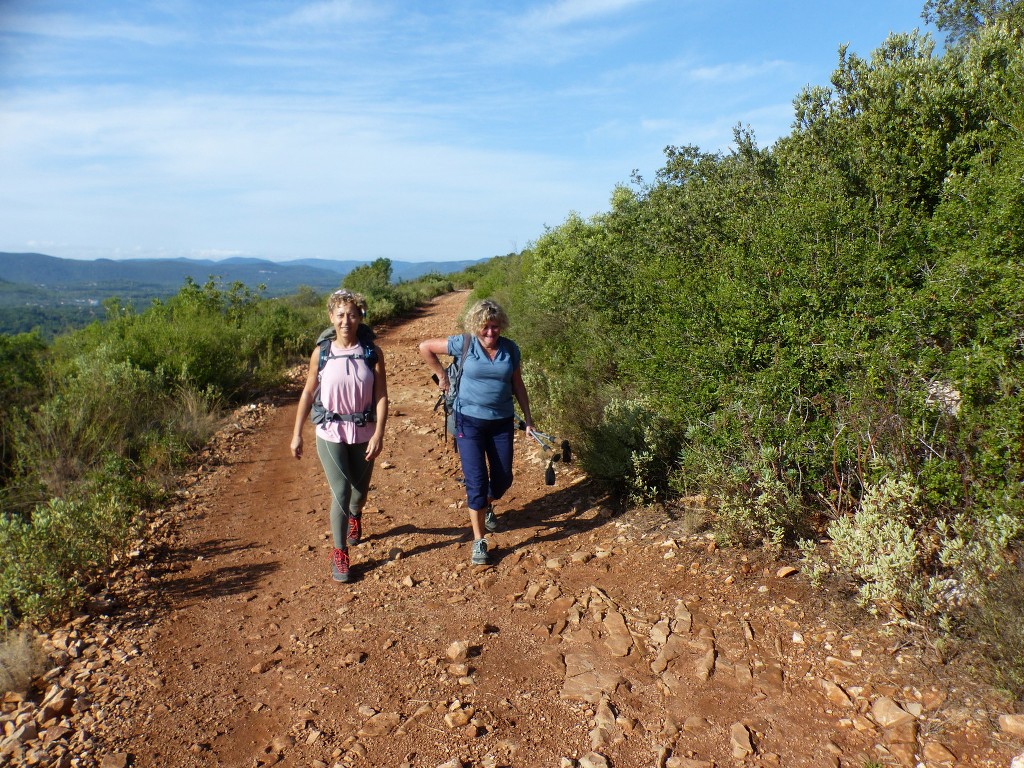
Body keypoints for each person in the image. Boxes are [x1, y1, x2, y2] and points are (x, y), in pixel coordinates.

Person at [419, 298, 534, 565]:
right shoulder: (464, 343)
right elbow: (425, 348)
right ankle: (479, 540)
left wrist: (529, 419)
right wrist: (442, 377)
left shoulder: (510, 349)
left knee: (504, 478)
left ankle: (485, 504)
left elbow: (518, 385)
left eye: (494, 327)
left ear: (501, 326)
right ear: (476, 326)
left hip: (501, 422)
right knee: (476, 482)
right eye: (485, 327)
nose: (490, 332)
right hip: (468, 421)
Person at [291, 289, 388, 583]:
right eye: (341, 314)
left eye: (352, 314)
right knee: (341, 491)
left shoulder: (372, 352)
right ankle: (340, 552)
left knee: (359, 492)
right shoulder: (322, 353)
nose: (346, 320)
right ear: (331, 317)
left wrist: (380, 433)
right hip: (329, 430)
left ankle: (355, 517)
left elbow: (382, 395)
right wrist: (297, 433)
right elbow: (309, 392)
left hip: (363, 429)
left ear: (360, 317)